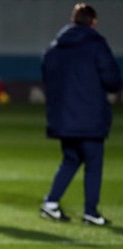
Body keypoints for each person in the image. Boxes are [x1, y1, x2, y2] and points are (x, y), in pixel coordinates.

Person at [40, 3, 122, 226]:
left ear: (74, 20)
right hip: (90, 116)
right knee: (94, 163)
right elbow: (112, 79)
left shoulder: (55, 47)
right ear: (93, 22)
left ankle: (51, 203)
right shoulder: (96, 45)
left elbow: (46, 75)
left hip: (63, 117)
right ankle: (91, 212)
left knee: (71, 158)